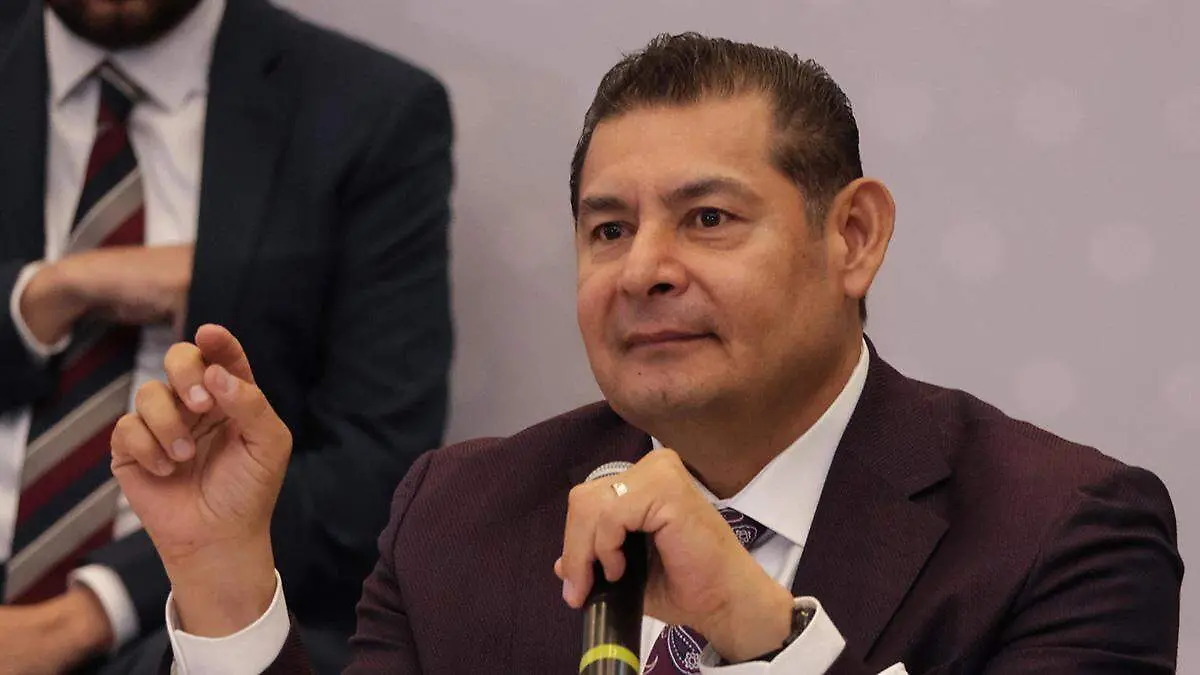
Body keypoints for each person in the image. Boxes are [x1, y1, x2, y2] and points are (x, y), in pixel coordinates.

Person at [112, 33, 1181, 675]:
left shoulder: (1061, 530)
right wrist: (221, 576)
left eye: (709, 219)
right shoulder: (459, 515)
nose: (642, 271)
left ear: (853, 236)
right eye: (609, 229)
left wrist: (766, 642)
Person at [0, 0, 453, 672]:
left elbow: (376, 468)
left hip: (182, 629)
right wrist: (46, 294)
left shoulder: (368, 111)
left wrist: (85, 613)